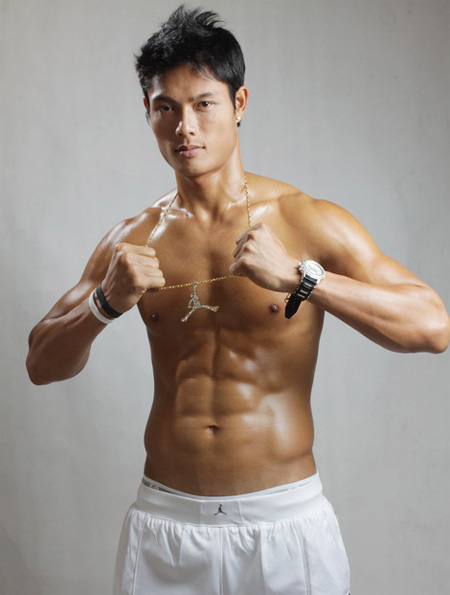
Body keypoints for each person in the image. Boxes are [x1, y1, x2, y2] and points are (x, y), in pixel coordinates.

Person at [26, 5, 449, 595]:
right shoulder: (132, 238)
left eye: (204, 104)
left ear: (239, 103)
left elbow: (433, 326)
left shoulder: (304, 220)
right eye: (165, 108)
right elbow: (40, 364)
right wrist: (104, 302)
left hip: (284, 525)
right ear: (146, 112)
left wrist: (303, 279)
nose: (185, 128)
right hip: (166, 527)